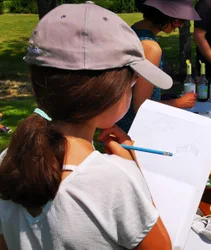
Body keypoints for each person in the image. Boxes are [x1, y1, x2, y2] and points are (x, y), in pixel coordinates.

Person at [0, 3, 172, 250]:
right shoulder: (117, 179)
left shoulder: (8, 160)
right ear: (111, 89)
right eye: (134, 78)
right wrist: (135, 173)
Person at [116, 0, 200, 133]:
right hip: (135, 129)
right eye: (179, 20)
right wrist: (179, 103)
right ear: (163, 15)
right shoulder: (151, 48)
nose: (180, 25)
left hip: (120, 124)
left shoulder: (133, 31)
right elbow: (141, 106)